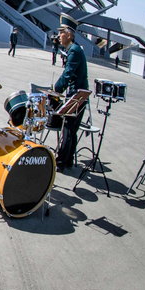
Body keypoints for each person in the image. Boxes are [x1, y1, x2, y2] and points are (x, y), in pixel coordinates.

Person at [52, 13, 89, 172]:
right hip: (80, 95)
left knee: (67, 128)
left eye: (61, 32)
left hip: (76, 96)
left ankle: (60, 162)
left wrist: (55, 90)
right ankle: (67, 161)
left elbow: (67, 75)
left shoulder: (74, 50)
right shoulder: (75, 49)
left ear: (68, 34)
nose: (59, 36)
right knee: (72, 130)